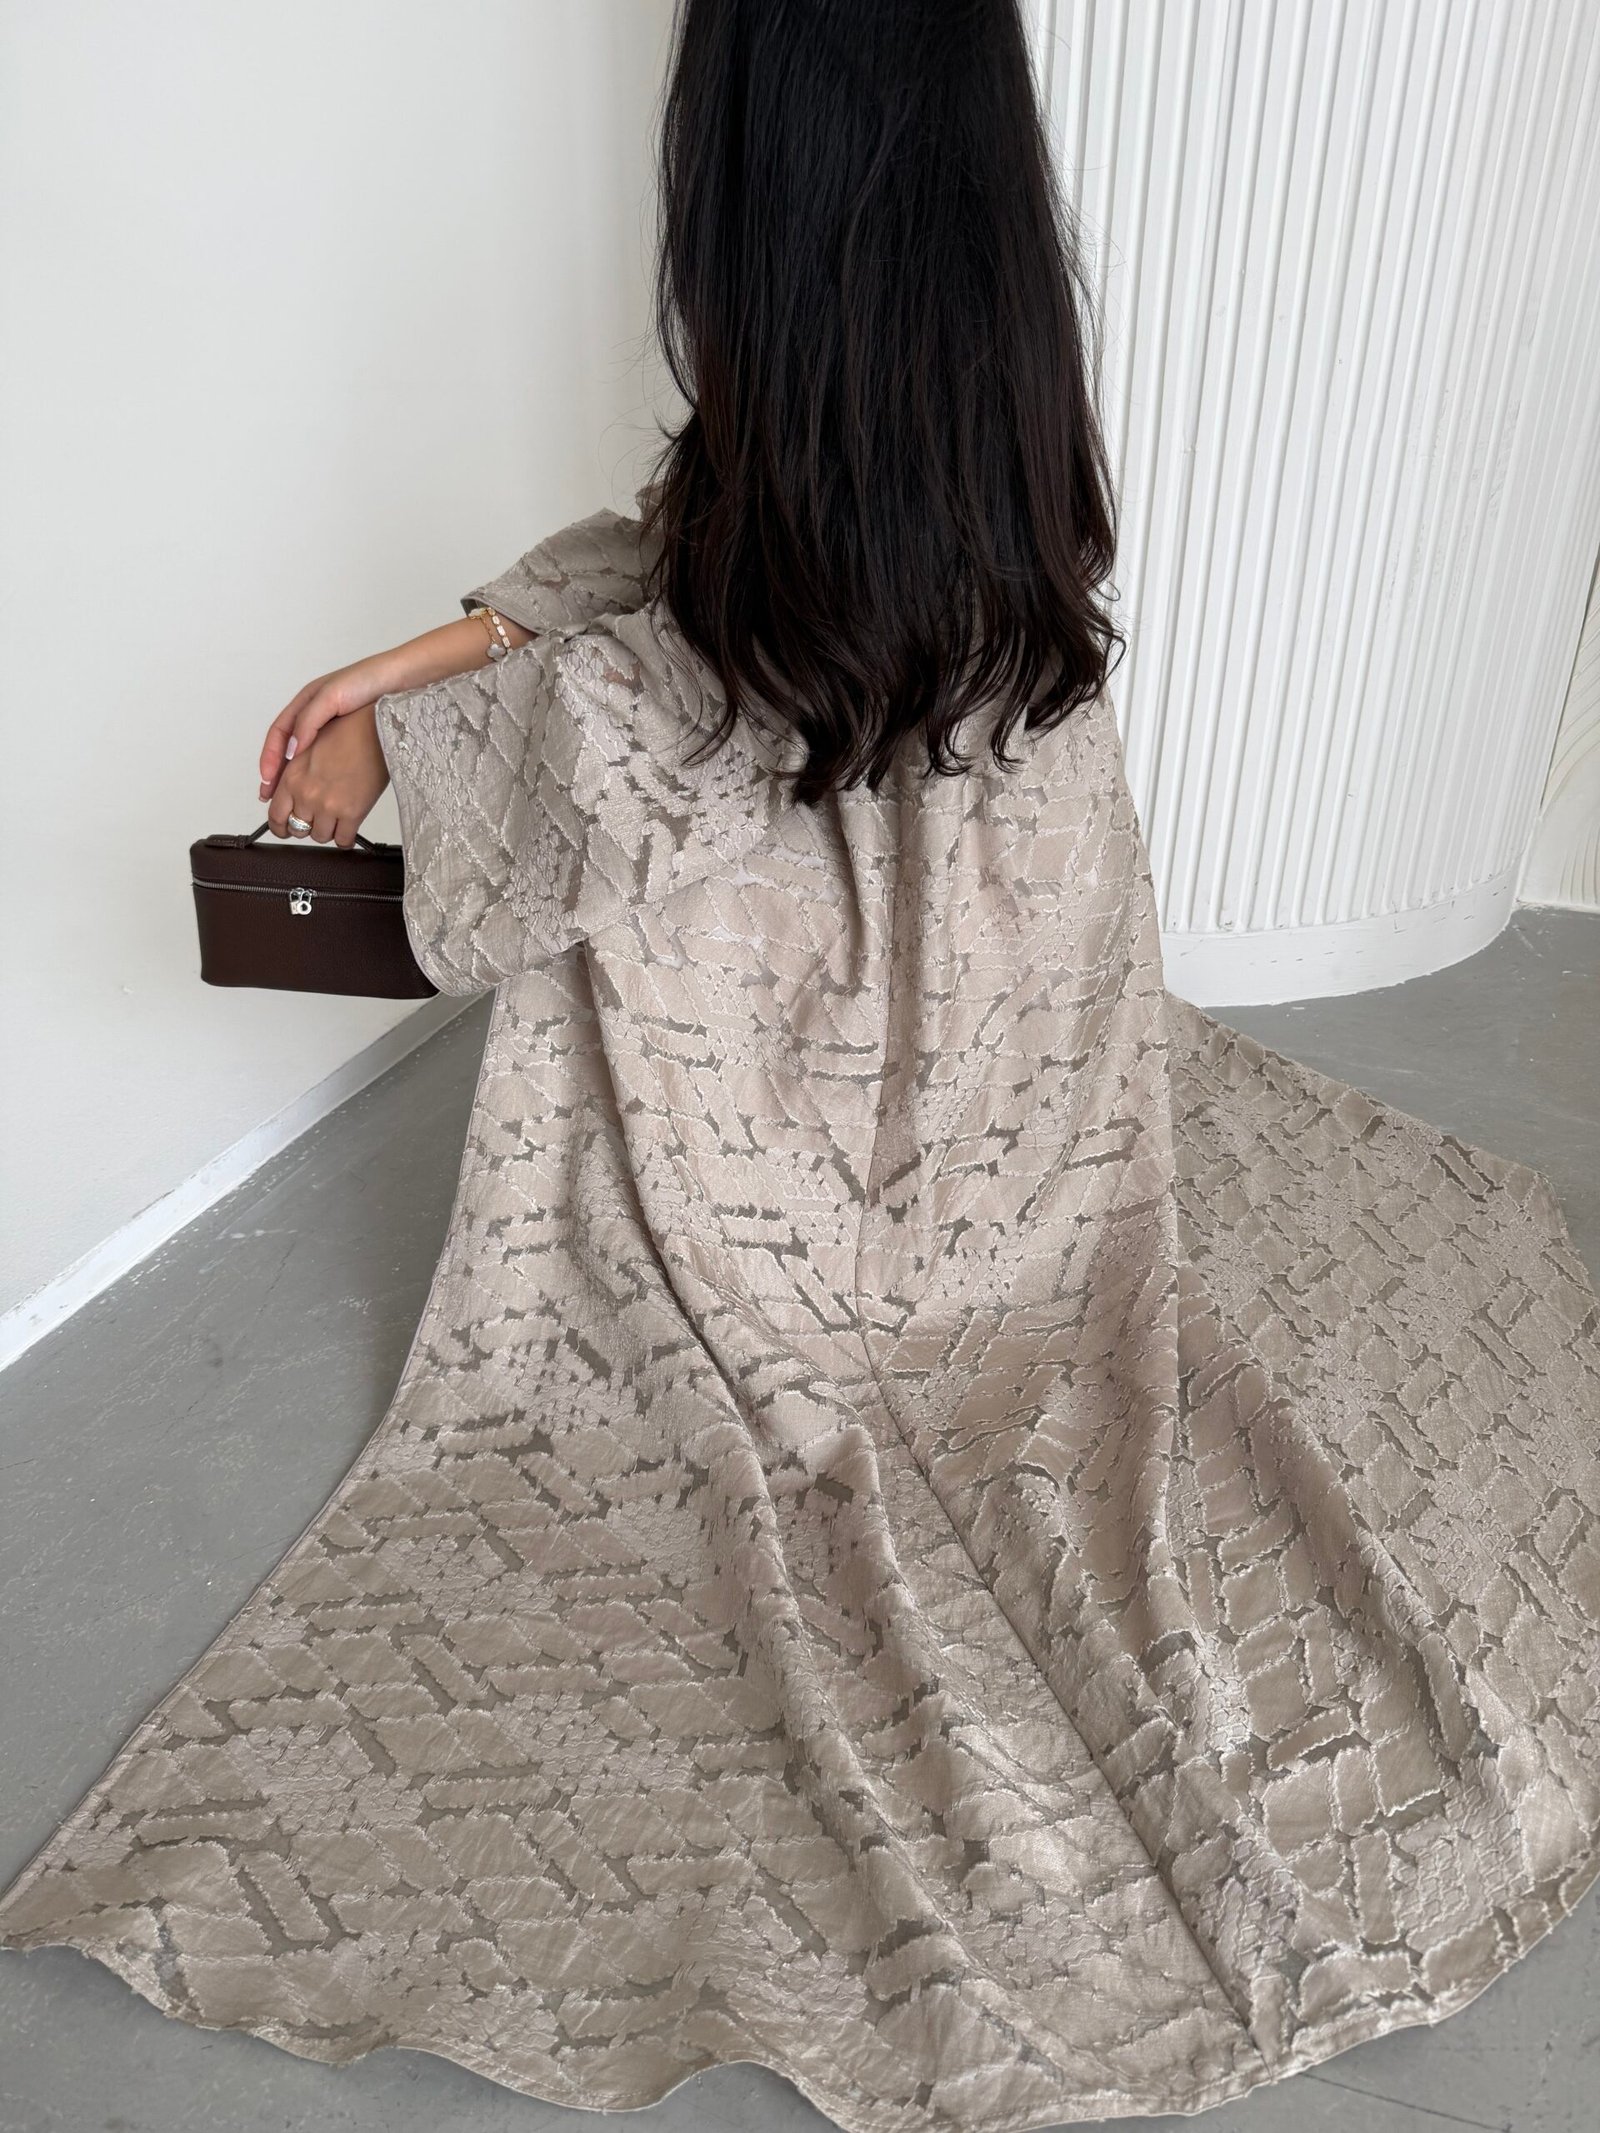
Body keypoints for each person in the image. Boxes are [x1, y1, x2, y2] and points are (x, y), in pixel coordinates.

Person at [2, 3, 1597, 2129]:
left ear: (763, 171)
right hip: (1037, 979)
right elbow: (694, 549)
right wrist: (445, 646)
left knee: (624, 920)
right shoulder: (991, 380)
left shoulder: (794, 552)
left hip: (877, 1087)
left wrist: (423, 734)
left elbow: (665, 703)